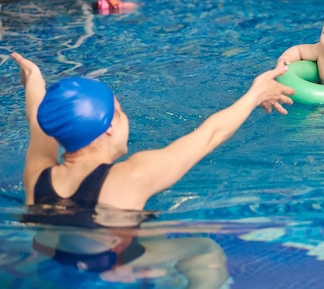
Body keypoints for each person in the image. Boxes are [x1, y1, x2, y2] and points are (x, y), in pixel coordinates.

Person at [10, 52, 294, 214]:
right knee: (203, 253)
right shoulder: (132, 176)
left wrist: (34, 81)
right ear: (109, 127)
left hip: (53, 268)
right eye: (119, 111)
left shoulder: (38, 176)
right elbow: (209, 135)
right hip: (114, 270)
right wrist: (255, 94)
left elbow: (39, 125)